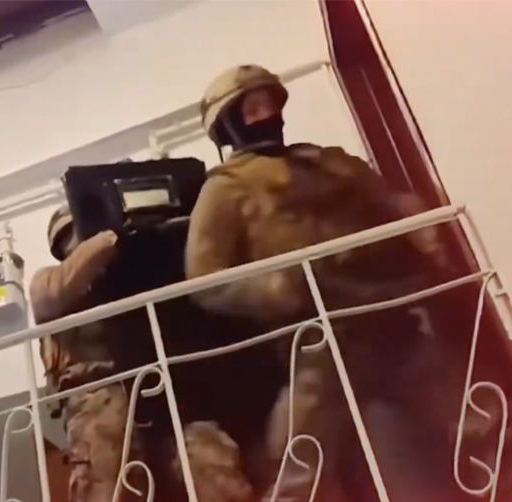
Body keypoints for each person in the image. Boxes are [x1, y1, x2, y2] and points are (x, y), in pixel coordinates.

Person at [185, 64, 468, 501]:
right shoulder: (224, 189)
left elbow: (390, 200)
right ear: (229, 125)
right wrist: (280, 290)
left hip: (391, 321)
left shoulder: (327, 160)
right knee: (300, 466)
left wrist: (422, 230)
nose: (266, 116)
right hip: (323, 341)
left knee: (477, 414)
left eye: (269, 104)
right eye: (252, 109)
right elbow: (205, 278)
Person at [33, 206, 254, 502]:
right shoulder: (52, 279)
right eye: (67, 236)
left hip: (165, 387)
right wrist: (109, 238)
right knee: (105, 469)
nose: (75, 239)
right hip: (101, 392)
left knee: (210, 461)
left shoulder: (134, 267)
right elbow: (50, 295)